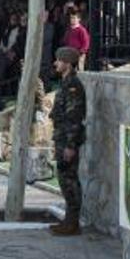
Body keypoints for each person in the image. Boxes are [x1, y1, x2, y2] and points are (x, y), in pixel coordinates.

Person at [48, 46, 87, 237]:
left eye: (59, 60)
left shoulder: (73, 86)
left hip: (67, 139)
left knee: (69, 180)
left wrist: (70, 146)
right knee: (64, 179)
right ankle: (69, 221)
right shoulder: (65, 83)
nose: (56, 63)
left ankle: (73, 222)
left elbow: (74, 118)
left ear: (68, 63)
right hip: (62, 137)